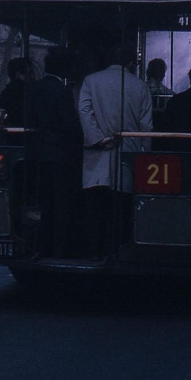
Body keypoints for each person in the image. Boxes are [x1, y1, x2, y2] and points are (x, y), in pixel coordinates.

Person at [78, 42, 153, 259]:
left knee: (95, 209)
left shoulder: (91, 81)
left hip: (96, 155)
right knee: (120, 209)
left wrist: (99, 139)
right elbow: (145, 126)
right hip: (127, 156)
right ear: (131, 62)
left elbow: (85, 112)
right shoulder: (140, 86)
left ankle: (94, 253)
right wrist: (145, 155)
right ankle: (118, 252)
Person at [24, 47, 84, 258]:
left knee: (42, 203)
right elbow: (69, 125)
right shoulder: (62, 91)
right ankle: (59, 247)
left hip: (36, 154)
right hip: (60, 156)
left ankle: (39, 245)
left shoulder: (34, 88)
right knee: (60, 204)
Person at [0, 57, 33, 127]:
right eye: (29, 73)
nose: (32, 76)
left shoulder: (5, 93)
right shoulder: (28, 92)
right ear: (18, 74)